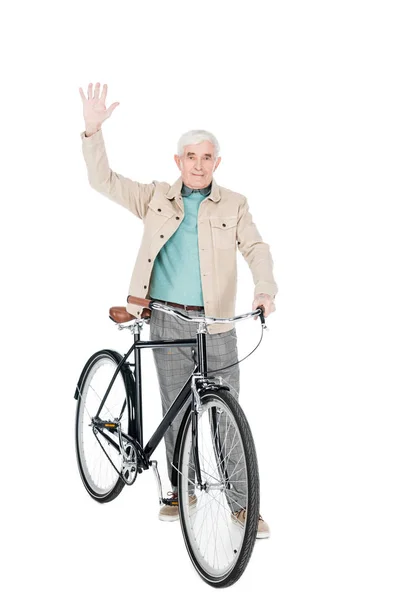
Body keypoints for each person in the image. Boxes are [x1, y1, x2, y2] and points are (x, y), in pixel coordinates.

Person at [79, 82, 278, 539]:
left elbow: (257, 247)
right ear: (178, 162)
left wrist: (264, 289)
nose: (199, 165)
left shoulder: (235, 204)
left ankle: (243, 506)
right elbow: (102, 181)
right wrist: (92, 132)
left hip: (218, 321)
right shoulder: (155, 198)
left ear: (217, 163)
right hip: (166, 316)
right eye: (191, 157)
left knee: (228, 412)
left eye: (207, 157)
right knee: (175, 408)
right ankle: (175, 490)